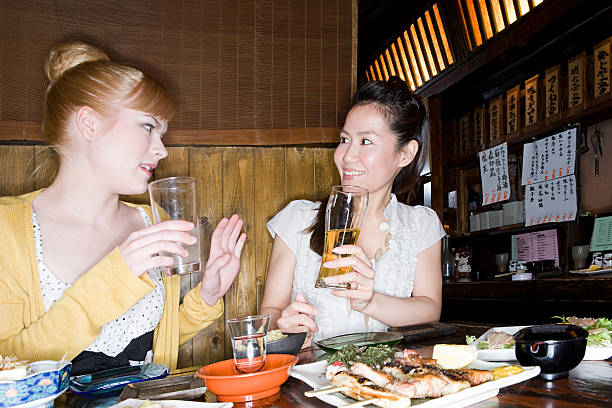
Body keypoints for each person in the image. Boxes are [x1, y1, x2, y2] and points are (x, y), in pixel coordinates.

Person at [0, 42, 246, 374]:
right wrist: (116, 275)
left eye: (162, 134)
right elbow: (8, 365)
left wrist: (208, 297)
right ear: (89, 124)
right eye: (148, 127)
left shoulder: (150, 222)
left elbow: (148, 346)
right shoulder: (7, 229)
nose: (161, 151)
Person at [260, 77, 444, 347]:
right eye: (345, 139)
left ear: (405, 154)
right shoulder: (299, 219)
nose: (346, 155)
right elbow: (270, 311)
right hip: (308, 382)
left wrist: (370, 301)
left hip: (386, 381)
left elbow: (429, 309)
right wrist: (284, 325)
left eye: (366, 141)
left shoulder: (420, 224)